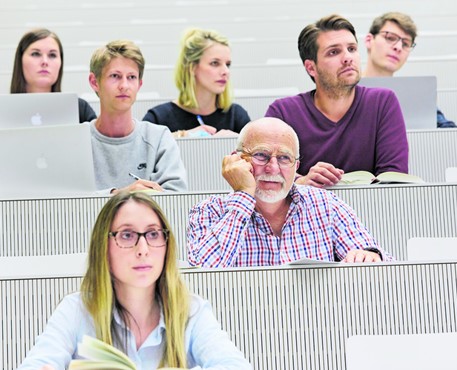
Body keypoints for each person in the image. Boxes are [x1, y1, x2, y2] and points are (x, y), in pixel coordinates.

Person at [17, 191, 251, 370]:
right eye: (127, 235)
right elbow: (37, 363)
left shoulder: (191, 310)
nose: (143, 249)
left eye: (152, 234)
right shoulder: (76, 310)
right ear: (103, 247)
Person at [187, 117, 392, 268]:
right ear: (237, 160)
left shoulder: (325, 205)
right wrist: (243, 195)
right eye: (261, 155)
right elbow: (203, 277)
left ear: (296, 166)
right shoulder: (209, 211)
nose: (273, 168)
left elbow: (379, 258)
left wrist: (369, 256)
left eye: (284, 158)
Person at [265, 14, 409, 188]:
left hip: (371, 211)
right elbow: (264, 171)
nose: (348, 57)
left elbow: (394, 179)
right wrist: (300, 182)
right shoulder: (282, 113)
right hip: (305, 212)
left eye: (352, 49)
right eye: (334, 52)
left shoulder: (383, 102)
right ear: (311, 67)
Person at [0, 28, 97, 143]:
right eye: (36, 54)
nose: (45, 61)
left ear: (60, 63)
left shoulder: (79, 109)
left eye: (52, 55)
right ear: (20, 61)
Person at [87, 40, 187, 193]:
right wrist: (121, 194)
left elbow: (176, 198)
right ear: (94, 82)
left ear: (139, 84)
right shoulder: (77, 140)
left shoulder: (158, 138)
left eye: (131, 77)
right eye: (115, 76)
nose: (124, 85)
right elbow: (64, 202)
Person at [142, 28, 250, 138]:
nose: (225, 71)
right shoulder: (158, 118)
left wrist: (237, 141)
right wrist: (181, 136)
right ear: (192, 67)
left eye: (228, 64)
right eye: (215, 63)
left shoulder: (237, 115)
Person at [363, 12, 457, 128]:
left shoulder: (414, 96)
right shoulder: (345, 90)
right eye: (390, 38)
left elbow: (449, 131)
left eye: (406, 44)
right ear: (369, 40)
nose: (398, 47)